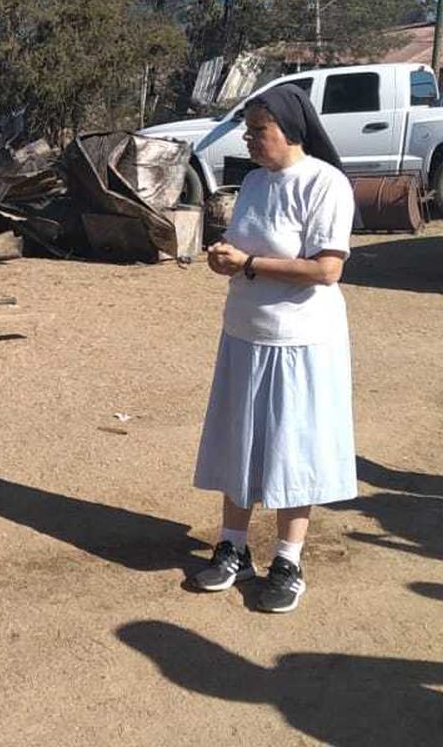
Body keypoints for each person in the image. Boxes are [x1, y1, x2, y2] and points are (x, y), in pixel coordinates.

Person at [190, 86, 357, 614]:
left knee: (292, 447)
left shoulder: (325, 184)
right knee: (239, 441)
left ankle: (288, 560)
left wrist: (248, 265)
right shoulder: (254, 183)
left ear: (290, 131)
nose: (249, 139)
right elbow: (247, 247)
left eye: (258, 130)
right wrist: (224, 258)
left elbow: (327, 269)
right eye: (248, 131)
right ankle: (233, 546)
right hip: (245, 331)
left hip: (300, 340)